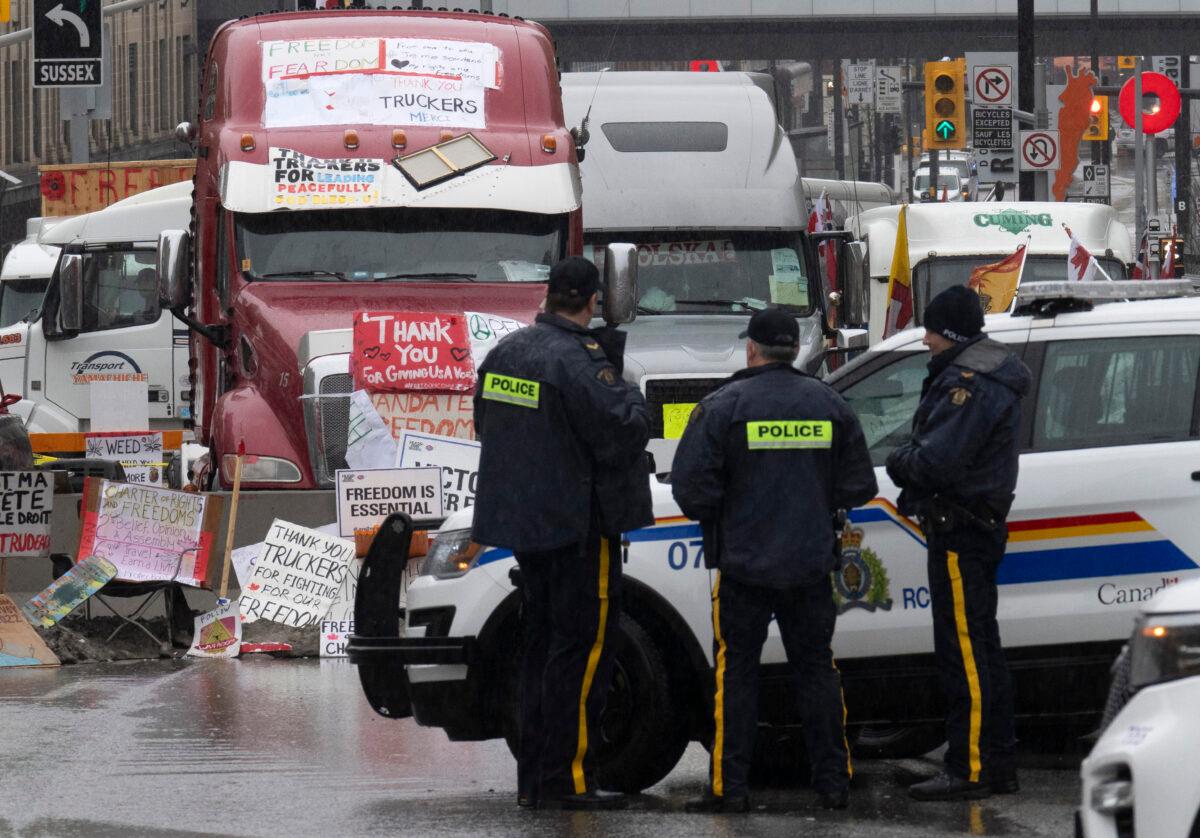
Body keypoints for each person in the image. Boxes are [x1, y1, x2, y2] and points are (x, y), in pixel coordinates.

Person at [671, 307, 878, 813]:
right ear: (794, 351)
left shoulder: (723, 407)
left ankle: (729, 789)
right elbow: (859, 485)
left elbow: (691, 490)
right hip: (810, 565)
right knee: (817, 672)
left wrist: (732, 510)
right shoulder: (829, 404)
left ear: (752, 349)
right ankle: (833, 785)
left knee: (735, 675)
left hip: (742, 568)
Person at [472, 256, 652, 811]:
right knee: (584, 651)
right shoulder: (580, 361)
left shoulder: (506, 353)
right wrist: (634, 396)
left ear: (550, 295)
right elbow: (621, 429)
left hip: (527, 525)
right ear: (592, 301)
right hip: (579, 527)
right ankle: (568, 779)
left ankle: (536, 778)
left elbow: (487, 424)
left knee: (542, 651)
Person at [885, 284, 1031, 801]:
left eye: (929, 330)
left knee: (965, 653)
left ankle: (969, 768)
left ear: (948, 333)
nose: (924, 340)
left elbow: (933, 461)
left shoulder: (969, 383)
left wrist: (899, 460)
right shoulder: (982, 374)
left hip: (959, 528)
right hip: (971, 526)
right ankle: (994, 764)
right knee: (981, 649)